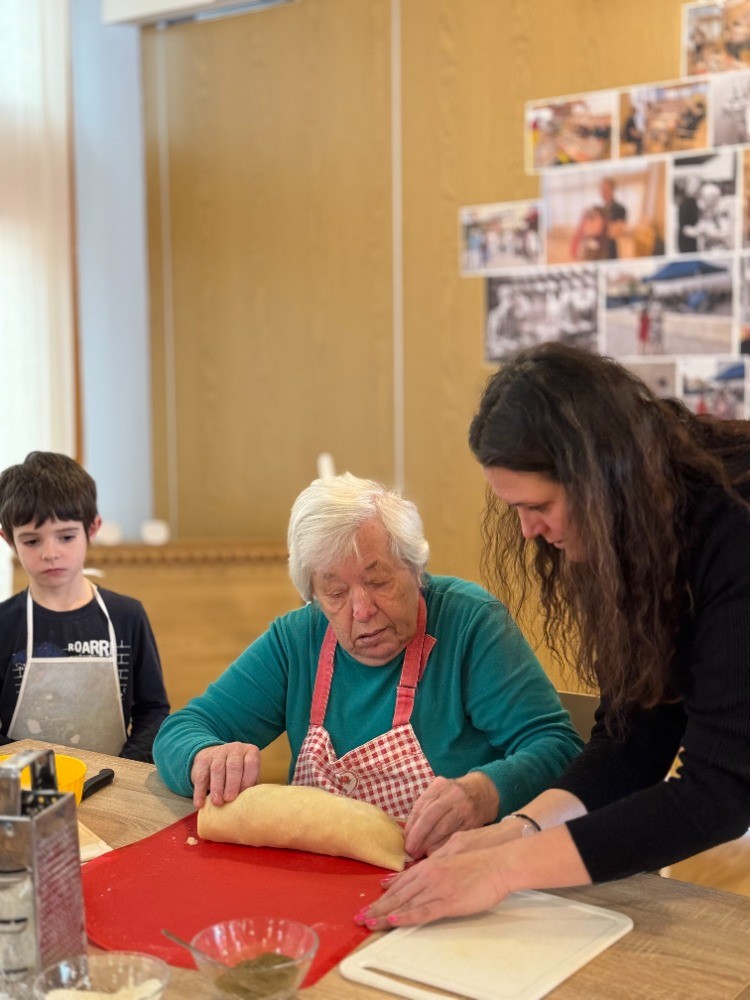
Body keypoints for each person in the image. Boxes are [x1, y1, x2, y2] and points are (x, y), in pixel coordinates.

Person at [359, 343, 750, 928]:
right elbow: (631, 742)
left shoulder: (734, 527)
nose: (527, 531)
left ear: (601, 477)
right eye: (514, 508)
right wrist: (519, 830)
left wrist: (504, 869)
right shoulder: (641, 531)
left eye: (539, 505)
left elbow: (719, 793)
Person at [153, 473, 582, 859]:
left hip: (452, 873)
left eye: (378, 581)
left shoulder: (470, 624)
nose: (362, 610)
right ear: (313, 595)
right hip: (318, 876)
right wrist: (204, 758)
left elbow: (558, 747)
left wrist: (485, 793)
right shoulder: (297, 640)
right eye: (335, 593)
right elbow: (180, 731)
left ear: (416, 568)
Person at [0, 452, 170, 762]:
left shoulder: (127, 616)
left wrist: (119, 771)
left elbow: (153, 711)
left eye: (66, 537)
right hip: (22, 783)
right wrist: (37, 776)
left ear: (92, 529)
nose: (50, 553)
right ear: (9, 540)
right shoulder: (4, 624)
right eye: (32, 541)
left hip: (115, 780)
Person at [599, 176, 627, 258]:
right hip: (601, 250)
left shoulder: (620, 209)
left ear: (612, 190)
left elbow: (618, 232)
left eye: (605, 189)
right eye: (601, 189)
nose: (603, 192)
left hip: (611, 250)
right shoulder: (601, 209)